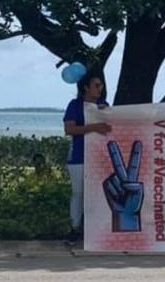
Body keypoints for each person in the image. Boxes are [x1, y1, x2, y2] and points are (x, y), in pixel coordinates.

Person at [63, 71, 112, 244]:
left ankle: (94, 229)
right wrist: (93, 127)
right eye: (96, 85)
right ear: (86, 87)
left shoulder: (103, 105)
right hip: (78, 157)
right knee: (78, 193)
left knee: (98, 193)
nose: (100, 89)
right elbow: (70, 129)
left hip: (98, 158)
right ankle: (74, 227)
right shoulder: (75, 105)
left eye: (101, 85)